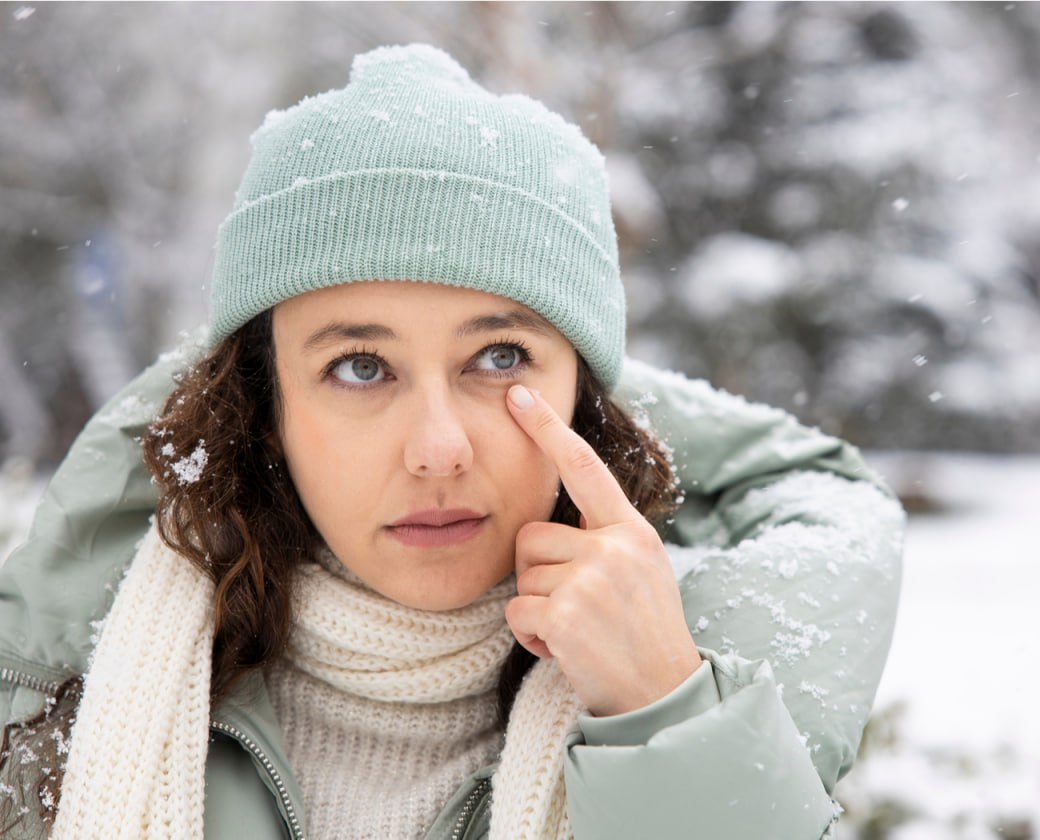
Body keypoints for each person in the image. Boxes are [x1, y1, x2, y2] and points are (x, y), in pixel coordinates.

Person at [0, 45, 904, 840]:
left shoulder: (701, 688)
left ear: (584, 396)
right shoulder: (61, 709)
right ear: (263, 405)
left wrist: (661, 714)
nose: (438, 450)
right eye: (361, 366)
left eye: (501, 357)